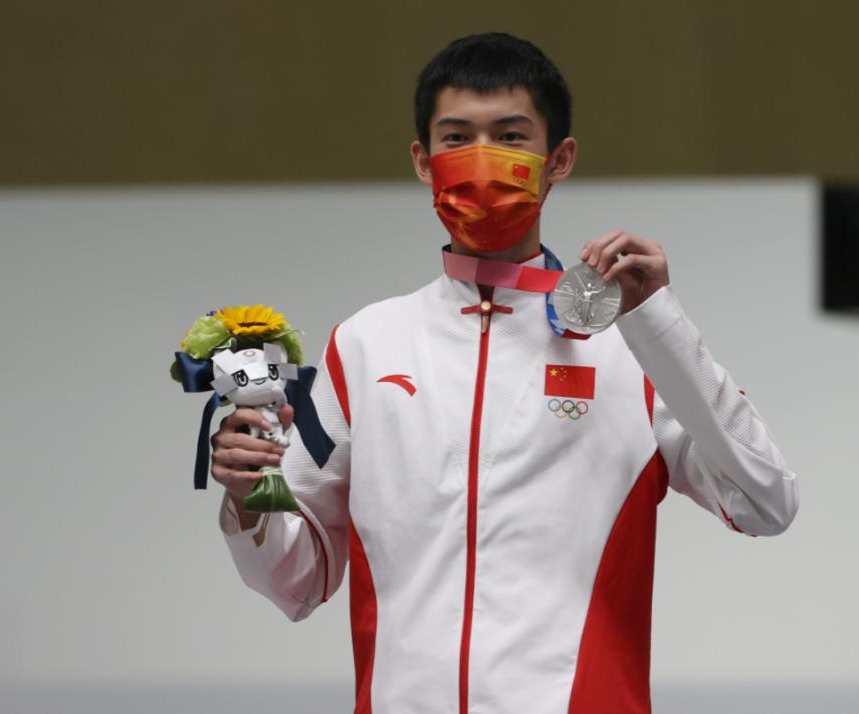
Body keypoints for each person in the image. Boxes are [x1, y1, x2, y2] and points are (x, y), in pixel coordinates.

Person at [209, 32, 799, 714]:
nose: (482, 159)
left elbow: (766, 502)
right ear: (424, 161)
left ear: (558, 160)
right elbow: (297, 582)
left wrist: (657, 321)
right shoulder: (364, 345)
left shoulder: (631, 348)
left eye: (511, 137)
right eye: (457, 138)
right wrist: (249, 498)